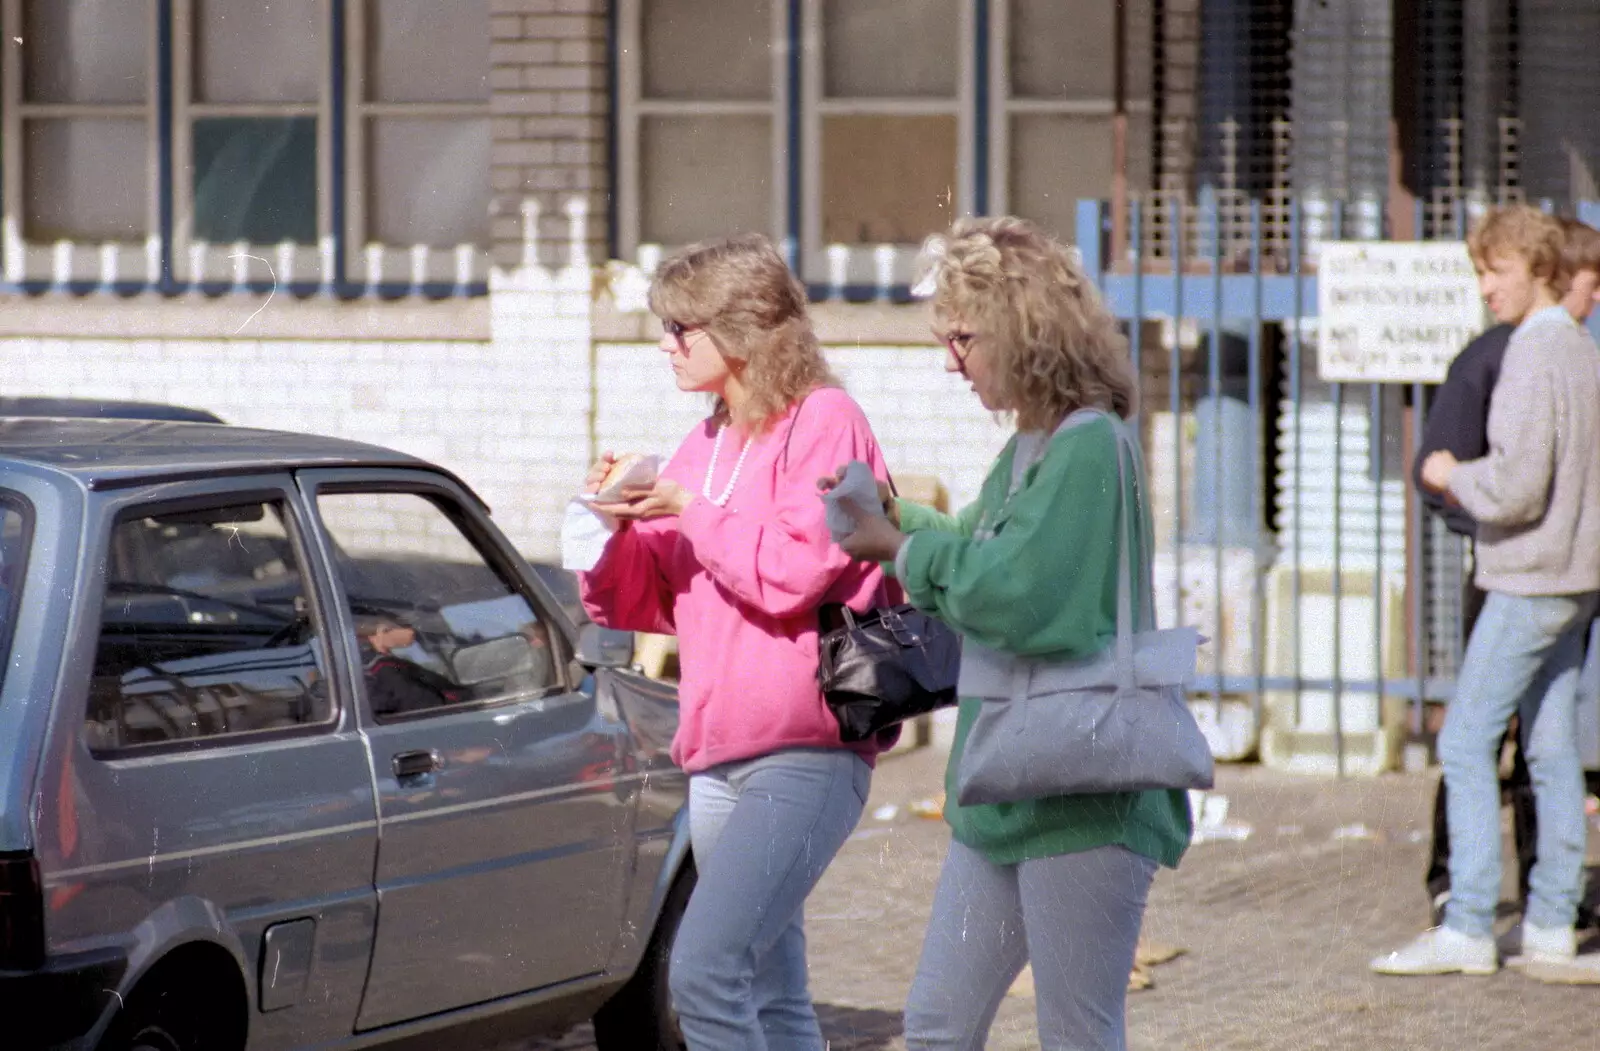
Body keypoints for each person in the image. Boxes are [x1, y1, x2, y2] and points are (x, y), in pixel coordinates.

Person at [830, 216, 1191, 1050]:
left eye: (963, 337)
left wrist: (904, 546)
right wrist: (898, 519)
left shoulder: (1089, 443)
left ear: (1023, 329)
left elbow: (1027, 596)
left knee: (1075, 1031)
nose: (949, 360)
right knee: (935, 1024)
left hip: (1078, 793)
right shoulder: (1035, 444)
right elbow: (990, 554)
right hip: (1003, 786)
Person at [577, 233, 897, 1050]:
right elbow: (652, 598)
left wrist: (689, 509)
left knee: (704, 973)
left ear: (741, 330)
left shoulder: (827, 421)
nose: (665, 345)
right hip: (716, 755)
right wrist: (611, 528)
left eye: (682, 329)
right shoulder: (708, 438)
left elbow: (795, 571)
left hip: (805, 749)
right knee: (770, 987)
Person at [1372, 205, 1600, 981]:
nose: (1484, 288)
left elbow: (1514, 486)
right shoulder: (1580, 349)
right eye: (1479, 271)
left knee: (1467, 740)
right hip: (1575, 577)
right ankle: (1551, 923)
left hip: (1526, 575)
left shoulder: (1532, 355)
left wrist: (1448, 474)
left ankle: (1468, 922)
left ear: (1538, 270)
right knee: (1551, 744)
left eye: (1494, 271)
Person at [356, 614, 463, 715]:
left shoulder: (366, 666)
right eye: (405, 625)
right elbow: (425, 704)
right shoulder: (385, 667)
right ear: (383, 630)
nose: (413, 631)